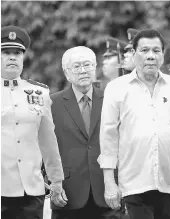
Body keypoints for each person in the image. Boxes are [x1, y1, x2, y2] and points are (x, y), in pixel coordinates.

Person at [97, 29, 170, 219]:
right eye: (144, 50)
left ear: (162, 55)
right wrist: (109, 182)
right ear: (133, 53)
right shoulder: (116, 89)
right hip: (134, 184)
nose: (150, 56)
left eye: (156, 51)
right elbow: (108, 138)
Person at [49, 46, 121, 219]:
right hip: (68, 194)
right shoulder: (52, 103)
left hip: (108, 192)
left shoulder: (112, 100)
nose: (83, 71)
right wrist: (52, 181)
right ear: (66, 73)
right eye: (76, 66)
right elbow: (44, 146)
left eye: (87, 65)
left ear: (94, 68)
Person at [1, 25, 65, 219]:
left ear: (23, 57)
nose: (12, 57)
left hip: (31, 189)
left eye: (17, 53)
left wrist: (56, 180)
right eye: (5, 52)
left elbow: (48, 141)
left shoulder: (39, 93)